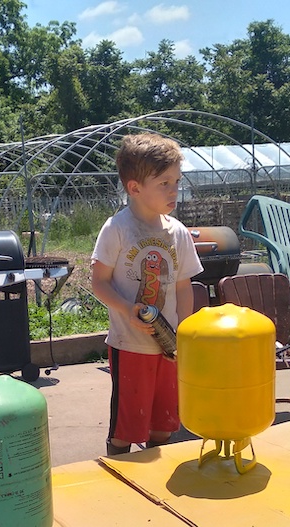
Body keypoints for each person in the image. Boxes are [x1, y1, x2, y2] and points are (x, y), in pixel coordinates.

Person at [91, 133, 203, 456]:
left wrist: (184, 331)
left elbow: (183, 285)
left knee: (165, 425)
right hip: (130, 345)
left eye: (177, 182)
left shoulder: (178, 232)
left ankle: (155, 487)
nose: (174, 191)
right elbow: (99, 283)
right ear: (135, 188)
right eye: (164, 183)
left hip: (168, 348)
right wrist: (128, 309)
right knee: (125, 430)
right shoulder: (117, 229)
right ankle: (120, 483)